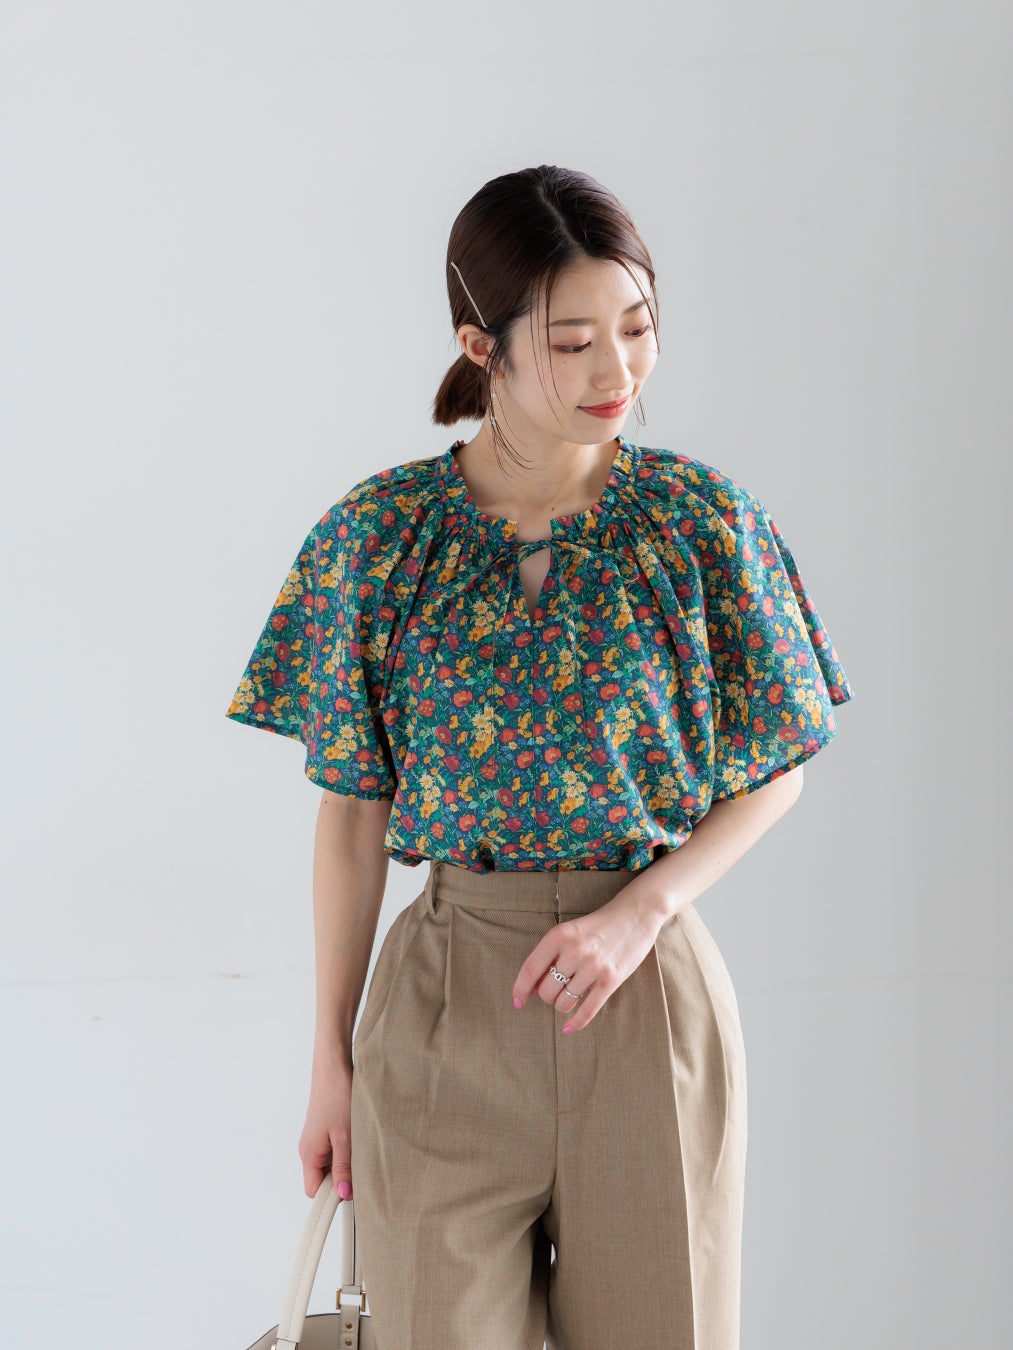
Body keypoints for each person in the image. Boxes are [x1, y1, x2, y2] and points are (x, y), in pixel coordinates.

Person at [225, 164, 855, 1350]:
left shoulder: (700, 522)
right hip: (442, 1008)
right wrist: (328, 1061)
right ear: (482, 346)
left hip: (643, 996)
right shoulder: (378, 538)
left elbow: (779, 762)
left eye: (637, 326)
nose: (617, 369)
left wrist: (640, 912)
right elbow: (352, 815)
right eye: (571, 342)